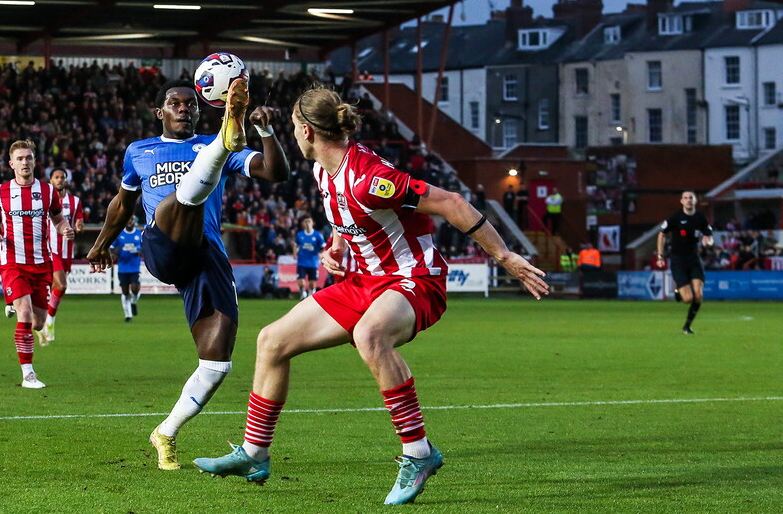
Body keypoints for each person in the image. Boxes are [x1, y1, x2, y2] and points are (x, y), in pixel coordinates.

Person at [193, 86, 549, 505]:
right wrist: (339, 245)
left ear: (306, 131)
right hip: (364, 282)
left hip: (413, 278)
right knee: (272, 341)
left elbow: (451, 202)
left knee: (370, 336)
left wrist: (503, 255)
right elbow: (346, 217)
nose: (292, 136)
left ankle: (419, 453)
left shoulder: (370, 179)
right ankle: (255, 453)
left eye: (293, 129)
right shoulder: (325, 170)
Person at [86, 77, 289, 470]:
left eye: (191, 104)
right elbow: (122, 203)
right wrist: (100, 244)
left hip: (204, 256)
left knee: (217, 362)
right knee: (182, 201)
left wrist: (264, 131)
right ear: (160, 113)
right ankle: (223, 137)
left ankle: (165, 432)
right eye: (175, 103)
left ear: (199, 110)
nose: (184, 108)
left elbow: (274, 172)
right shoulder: (139, 151)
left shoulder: (224, 147)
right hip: (161, 245)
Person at [0, 139, 74, 389]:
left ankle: (13, 304)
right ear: (11, 163)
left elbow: (59, 219)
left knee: (38, 323)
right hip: (12, 262)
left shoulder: (48, 191)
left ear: (34, 161)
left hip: (41, 263)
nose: (24, 162)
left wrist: (66, 230)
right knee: (25, 312)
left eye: (28, 158)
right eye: (20, 158)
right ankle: (28, 374)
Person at [35, 167, 85, 345]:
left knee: (53, 289)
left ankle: (39, 324)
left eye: (62, 177)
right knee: (62, 285)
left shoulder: (75, 201)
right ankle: (50, 321)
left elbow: (79, 222)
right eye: (56, 177)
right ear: (51, 180)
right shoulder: (44, 199)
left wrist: (78, 226)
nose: (60, 179)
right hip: (50, 249)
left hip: (67, 252)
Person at [656, 190, 713, 334]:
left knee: (698, 296)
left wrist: (708, 241)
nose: (688, 200)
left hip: (694, 259)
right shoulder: (675, 218)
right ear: (681, 201)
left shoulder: (700, 217)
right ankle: (677, 289)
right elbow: (661, 235)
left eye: (691, 198)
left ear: (695, 201)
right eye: (686, 198)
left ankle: (687, 326)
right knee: (687, 299)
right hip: (678, 260)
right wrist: (660, 256)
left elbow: (709, 235)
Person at [110, 216, 143, 322]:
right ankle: (128, 315)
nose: (129, 221)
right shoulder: (119, 234)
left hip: (135, 267)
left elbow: (145, 248)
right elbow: (111, 247)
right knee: (125, 292)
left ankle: (133, 301)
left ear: (134, 222)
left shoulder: (139, 234)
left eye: (131, 220)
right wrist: (113, 255)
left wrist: (141, 252)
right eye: (127, 220)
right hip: (122, 267)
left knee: (134, 288)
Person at [293, 215, 325, 300]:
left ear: (312, 223)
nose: (307, 223)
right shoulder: (300, 235)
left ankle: (311, 296)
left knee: (312, 284)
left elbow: (323, 247)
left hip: (313, 262)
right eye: (305, 221)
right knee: (301, 282)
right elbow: (296, 245)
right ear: (303, 223)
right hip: (302, 261)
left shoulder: (318, 235)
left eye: (309, 221)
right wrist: (295, 253)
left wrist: (321, 254)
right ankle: (303, 295)